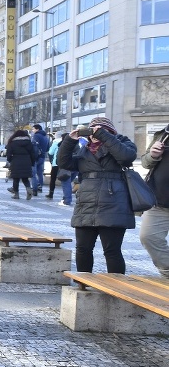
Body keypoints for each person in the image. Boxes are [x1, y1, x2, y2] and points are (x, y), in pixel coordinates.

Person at [58, 116, 137, 274]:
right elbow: (64, 162)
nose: (95, 134)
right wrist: (69, 141)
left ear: (110, 131)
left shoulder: (123, 143)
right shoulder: (85, 148)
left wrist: (103, 135)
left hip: (114, 203)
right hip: (86, 203)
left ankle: (115, 289)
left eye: (101, 130)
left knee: (112, 250)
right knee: (82, 249)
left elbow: (126, 157)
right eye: (93, 130)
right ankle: (84, 286)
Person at [139, 124, 169, 278]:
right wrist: (153, 155)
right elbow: (145, 162)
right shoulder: (164, 133)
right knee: (149, 236)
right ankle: (167, 271)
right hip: (159, 200)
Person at [6, 129, 35, 199]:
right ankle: (28, 189)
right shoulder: (29, 142)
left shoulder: (12, 143)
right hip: (27, 161)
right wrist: (32, 162)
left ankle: (16, 194)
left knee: (16, 179)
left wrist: (10, 160)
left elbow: (8, 154)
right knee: (25, 178)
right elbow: (33, 154)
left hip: (16, 161)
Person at [30, 123, 50, 196]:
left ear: (37, 129)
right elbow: (48, 148)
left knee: (33, 174)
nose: (32, 130)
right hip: (42, 156)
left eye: (33, 129)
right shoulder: (46, 137)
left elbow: (33, 146)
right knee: (40, 173)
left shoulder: (35, 136)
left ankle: (34, 189)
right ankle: (40, 187)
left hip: (35, 157)